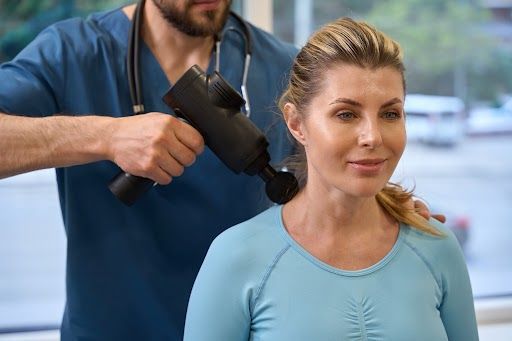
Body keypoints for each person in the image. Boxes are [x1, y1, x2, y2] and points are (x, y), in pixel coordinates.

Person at [0, 1, 439, 340]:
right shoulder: (72, 53)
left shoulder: (279, 65)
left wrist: (389, 209)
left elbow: (330, 178)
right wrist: (104, 137)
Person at [184, 17, 478, 341]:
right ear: (297, 124)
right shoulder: (236, 258)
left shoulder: (437, 248)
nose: (372, 137)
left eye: (390, 113)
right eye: (346, 114)